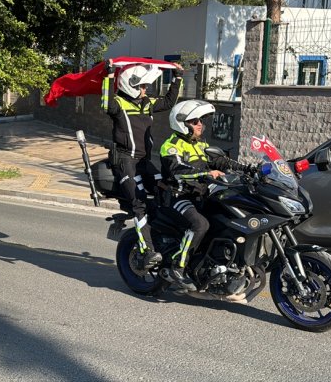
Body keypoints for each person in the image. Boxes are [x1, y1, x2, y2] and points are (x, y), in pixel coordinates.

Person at [159, 99, 250, 290]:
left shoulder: (201, 144)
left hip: (201, 196)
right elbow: (178, 170)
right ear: (182, 123)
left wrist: (249, 169)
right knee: (200, 224)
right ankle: (178, 266)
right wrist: (206, 173)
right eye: (195, 121)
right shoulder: (171, 146)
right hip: (179, 196)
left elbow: (221, 161)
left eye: (201, 120)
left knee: (228, 217)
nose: (200, 124)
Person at [102, 62, 184, 269]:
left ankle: (165, 237)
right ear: (130, 85)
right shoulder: (118, 104)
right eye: (142, 86)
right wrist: (109, 74)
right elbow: (105, 102)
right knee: (139, 204)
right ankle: (147, 251)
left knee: (168, 189)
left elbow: (168, 102)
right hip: (125, 161)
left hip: (144, 162)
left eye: (146, 87)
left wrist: (178, 77)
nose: (145, 90)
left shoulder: (147, 103)